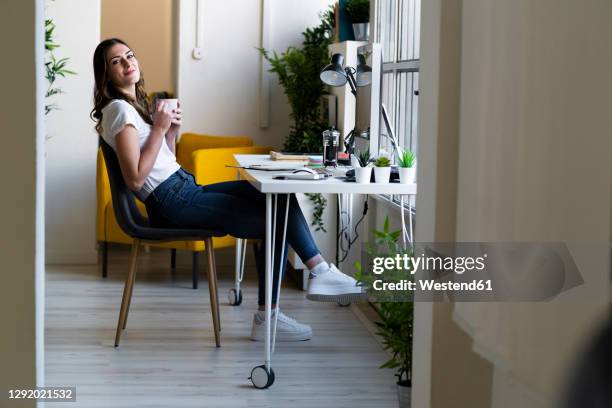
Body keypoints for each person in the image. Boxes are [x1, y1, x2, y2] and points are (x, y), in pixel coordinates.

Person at [91, 38, 364, 342]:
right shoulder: (117, 110)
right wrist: (157, 129)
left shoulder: (133, 107)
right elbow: (136, 180)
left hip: (182, 188)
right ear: (106, 74)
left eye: (130, 55)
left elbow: (160, 162)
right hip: (170, 201)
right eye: (117, 61)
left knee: (276, 195)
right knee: (274, 218)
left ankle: (309, 279)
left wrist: (170, 133)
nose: (128, 64)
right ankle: (291, 296)